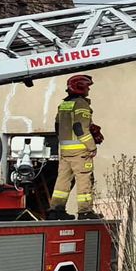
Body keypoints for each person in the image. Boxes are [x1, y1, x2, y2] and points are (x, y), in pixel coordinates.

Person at [48, 74, 103, 220]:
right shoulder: (81, 104)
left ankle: (56, 210)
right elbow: (80, 128)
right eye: (87, 87)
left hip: (65, 151)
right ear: (80, 87)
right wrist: (91, 147)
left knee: (63, 181)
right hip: (80, 151)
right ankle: (85, 212)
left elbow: (57, 126)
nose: (88, 91)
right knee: (84, 179)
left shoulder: (63, 104)